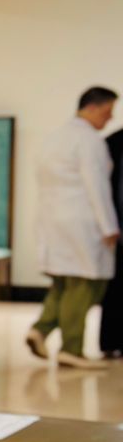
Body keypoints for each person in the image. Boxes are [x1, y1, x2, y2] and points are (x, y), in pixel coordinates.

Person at [26, 87, 120, 369]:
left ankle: (41, 329)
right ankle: (72, 348)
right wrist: (109, 226)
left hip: (52, 219)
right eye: (107, 111)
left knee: (63, 282)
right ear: (92, 108)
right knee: (85, 285)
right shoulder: (89, 140)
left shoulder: (54, 137)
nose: (110, 118)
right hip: (83, 221)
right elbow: (97, 186)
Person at [98, 122, 123, 357]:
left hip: (114, 222)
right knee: (116, 286)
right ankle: (111, 341)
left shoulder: (110, 141)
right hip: (116, 225)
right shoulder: (112, 143)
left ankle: (110, 342)